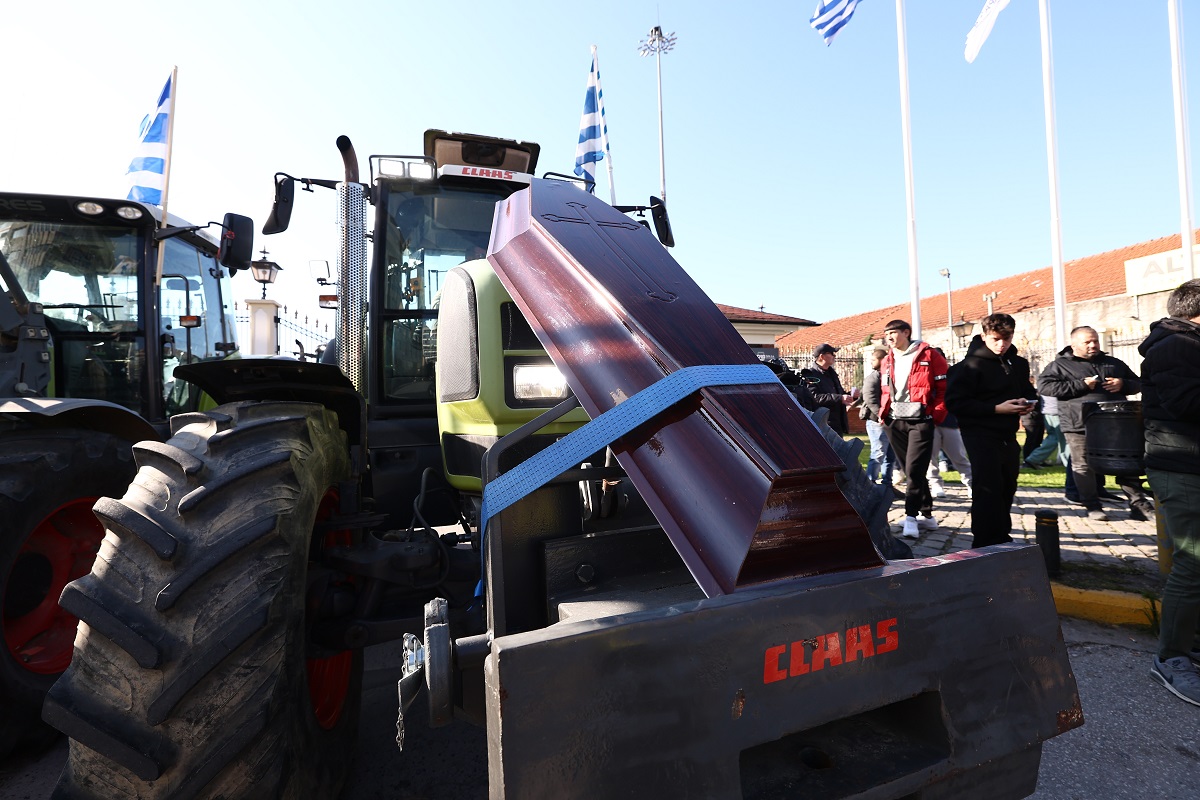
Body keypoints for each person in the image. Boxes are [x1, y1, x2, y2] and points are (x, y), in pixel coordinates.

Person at [1139, 279, 1200, 706]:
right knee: (1193, 562)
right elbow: (1187, 403)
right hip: (1182, 468)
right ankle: (1172, 658)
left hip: (1190, 464)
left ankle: (1189, 642)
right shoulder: (1176, 347)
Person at [1038, 326, 1154, 522]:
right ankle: (1092, 505)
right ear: (1074, 344)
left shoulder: (1113, 362)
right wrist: (1081, 385)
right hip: (1078, 424)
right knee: (1083, 466)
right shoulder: (1060, 365)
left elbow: (1139, 383)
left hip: (1117, 424)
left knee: (1130, 463)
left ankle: (1138, 505)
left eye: (1095, 341)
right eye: (1087, 342)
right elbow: (1045, 387)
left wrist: (1122, 384)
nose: (1093, 345)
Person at [945, 313, 1037, 548]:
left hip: (1007, 434)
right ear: (984, 335)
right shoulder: (967, 366)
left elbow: (1027, 390)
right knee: (988, 487)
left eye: (1006, 339)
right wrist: (997, 409)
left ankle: (1001, 536)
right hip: (979, 433)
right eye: (996, 339)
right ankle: (985, 541)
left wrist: (1027, 404)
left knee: (1008, 484)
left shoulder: (1017, 363)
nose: (1001, 344)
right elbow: (955, 404)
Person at [879, 319, 949, 538]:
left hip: (921, 420)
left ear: (906, 332)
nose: (889, 337)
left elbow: (944, 388)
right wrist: (883, 415)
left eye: (893, 332)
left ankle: (911, 517)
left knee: (916, 469)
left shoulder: (929, 355)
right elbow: (884, 389)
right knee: (911, 471)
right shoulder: (887, 360)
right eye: (886, 333)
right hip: (894, 421)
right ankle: (927, 516)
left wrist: (935, 414)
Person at [801, 343, 854, 436]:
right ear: (822, 356)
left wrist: (851, 396)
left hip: (837, 421)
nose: (834, 356)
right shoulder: (811, 375)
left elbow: (840, 394)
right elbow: (815, 397)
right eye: (831, 353)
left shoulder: (832, 374)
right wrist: (840, 398)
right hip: (824, 422)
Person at [860, 348, 894, 486]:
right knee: (878, 452)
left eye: (873, 359)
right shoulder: (873, 377)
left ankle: (887, 484)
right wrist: (881, 415)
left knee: (891, 455)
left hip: (891, 420)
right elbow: (870, 399)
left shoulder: (889, 376)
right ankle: (870, 483)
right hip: (876, 421)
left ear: (882, 360)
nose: (871, 362)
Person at [926, 410, 973, 499]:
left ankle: (971, 483)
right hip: (929, 422)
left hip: (950, 422)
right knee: (931, 459)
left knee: (959, 457)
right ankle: (935, 484)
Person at [1023, 394, 1066, 468]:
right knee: (1062, 438)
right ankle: (1068, 462)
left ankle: (1033, 459)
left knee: (1053, 437)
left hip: (1047, 410)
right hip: (1057, 410)